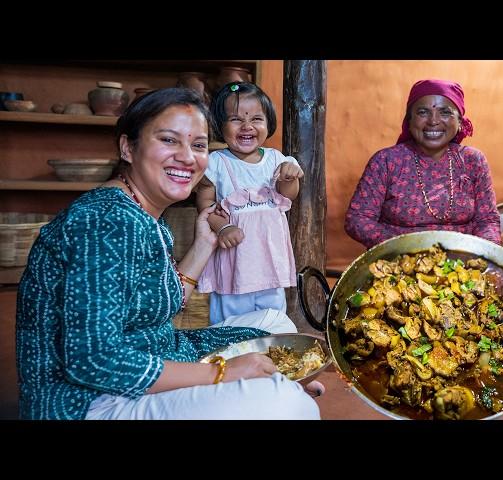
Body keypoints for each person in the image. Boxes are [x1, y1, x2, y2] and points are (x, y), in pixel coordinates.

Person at [15, 88, 321, 420]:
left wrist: (204, 243)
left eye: (198, 145)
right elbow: (93, 361)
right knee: (291, 404)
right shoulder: (107, 220)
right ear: (128, 147)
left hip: (155, 351)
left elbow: (161, 302)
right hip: (91, 400)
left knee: (274, 323)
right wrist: (221, 374)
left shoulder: (142, 212)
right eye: (169, 140)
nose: (188, 157)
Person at [344, 79, 501, 249]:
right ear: (409, 121)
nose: (433, 121)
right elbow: (357, 218)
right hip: (398, 261)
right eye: (423, 112)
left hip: (463, 262)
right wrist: (404, 247)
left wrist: (485, 255)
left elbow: (487, 219)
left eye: (445, 112)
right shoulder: (386, 161)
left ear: (460, 122)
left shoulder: (473, 160)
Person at [195, 82, 304, 324]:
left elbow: (289, 195)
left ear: (268, 123)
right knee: (230, 326)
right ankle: (230, 359)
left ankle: (267, 357)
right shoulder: (217, 163)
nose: (247, 126)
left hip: (269, 264)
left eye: (256, 119)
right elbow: (205, 206)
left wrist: (289, 177)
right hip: (235, 266)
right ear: (219, 125)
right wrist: (222, 227)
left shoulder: (276, 159)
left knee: (272, 322)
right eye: (235, 119)